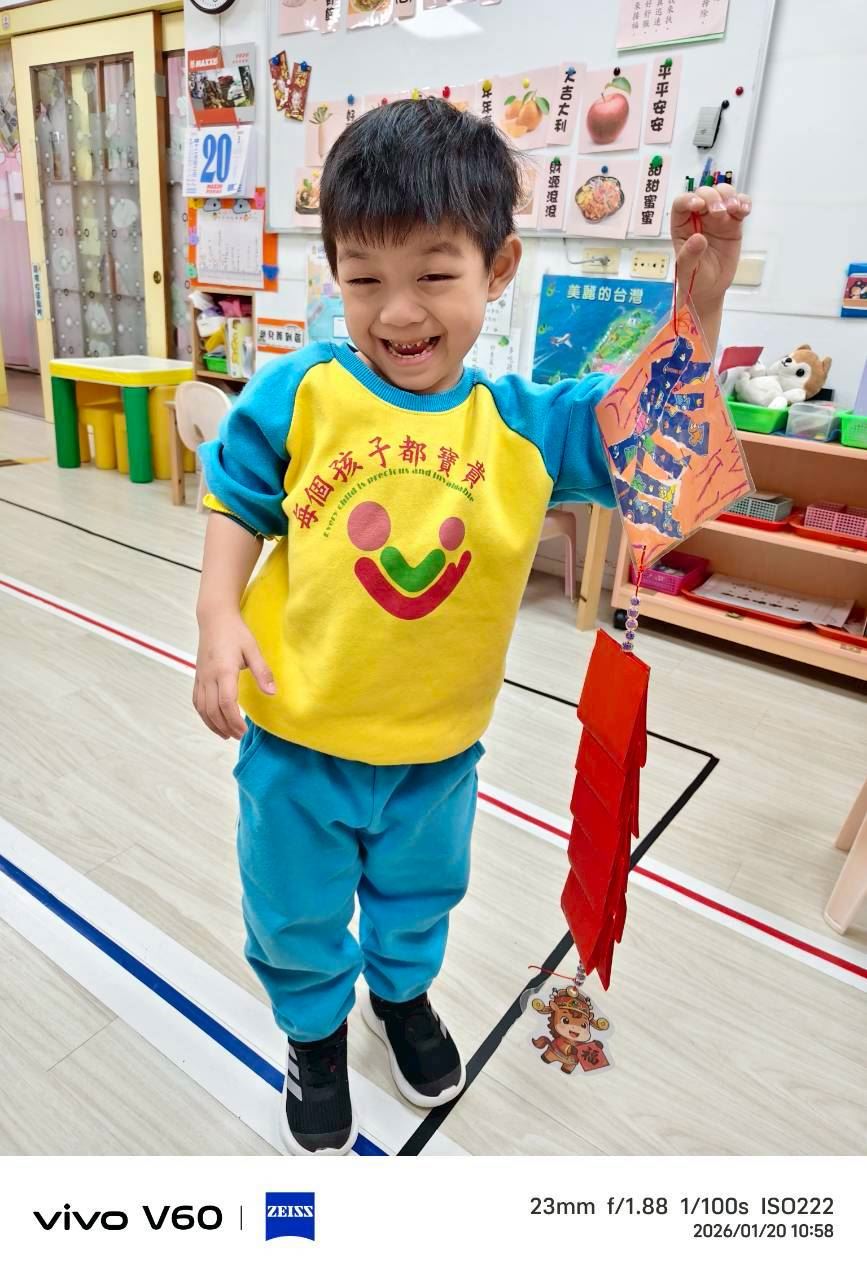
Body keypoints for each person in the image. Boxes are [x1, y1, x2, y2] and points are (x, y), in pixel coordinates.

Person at [194, 98, 751, 1155]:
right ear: (335, 274)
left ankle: (400, 996)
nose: (398, 311)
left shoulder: (523, 425)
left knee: (419, 895)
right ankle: (313, 1032)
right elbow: (238, 497)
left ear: (497, 270)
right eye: (364, 278)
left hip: (437, 746)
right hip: (298, 736)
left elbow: (653, 431)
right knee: (294, 906)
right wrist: (218, 611)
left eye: (434, 274)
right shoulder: (301, 392)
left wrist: (700, 301)